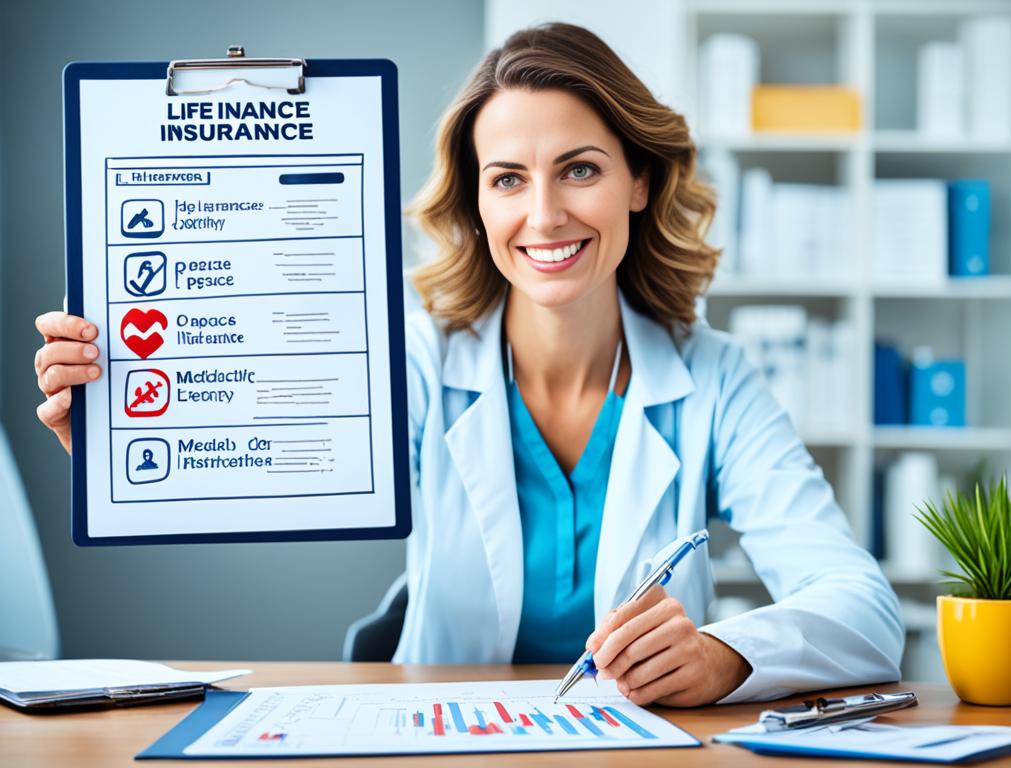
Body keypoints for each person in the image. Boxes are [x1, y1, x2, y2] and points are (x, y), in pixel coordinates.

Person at [34, 22, 904, 707]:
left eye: (581, 169)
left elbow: (863, 611)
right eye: (508, 179)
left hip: (644, 745)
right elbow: (272, 463)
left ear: (639, 179)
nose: (546, 214)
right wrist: (128, 446)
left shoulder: (712, 378)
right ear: (476, 200)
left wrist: (725, 655)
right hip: (445, 739)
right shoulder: (417, 359)